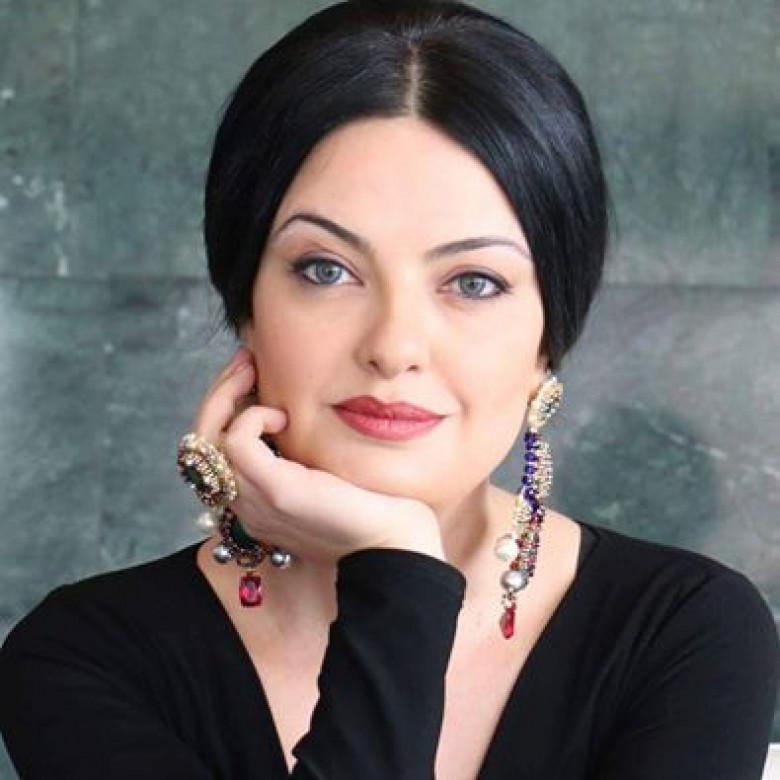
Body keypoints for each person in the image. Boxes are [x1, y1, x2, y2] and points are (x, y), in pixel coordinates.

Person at [1, 1, 778, 778]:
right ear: (246, 304)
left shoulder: (685, 632)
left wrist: (392, 568)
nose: (395, 346)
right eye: (326, 270)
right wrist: (399, 569)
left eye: (473, 282)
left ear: (549, 339)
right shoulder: (82, 659)